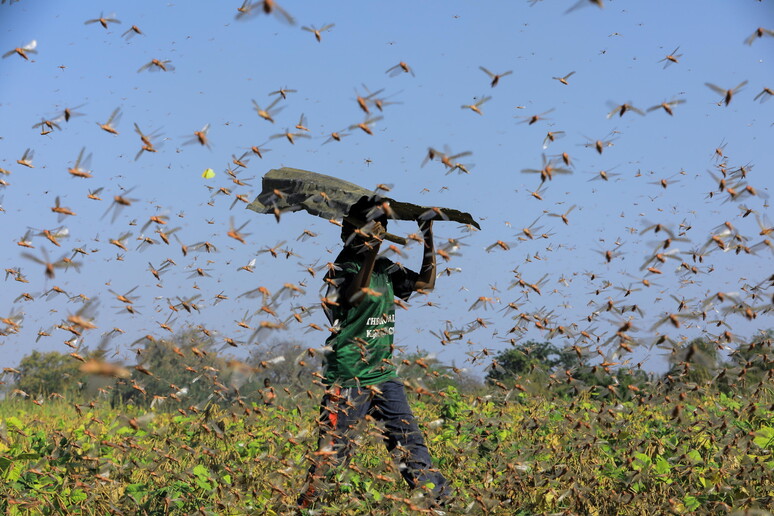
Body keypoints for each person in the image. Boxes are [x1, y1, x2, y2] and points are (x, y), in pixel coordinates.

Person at [297, 195, 450, 510]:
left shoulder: (384, 267)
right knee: (332, 455)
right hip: (348, 377)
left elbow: (425, 283)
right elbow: (354, 297)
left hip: (383, 374)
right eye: (372, 229)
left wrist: (428, 236)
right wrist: (372, 251)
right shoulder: (339, 268)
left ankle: (440, 504)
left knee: (410, 444)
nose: (376, 235)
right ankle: (307, 507)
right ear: (348, 233)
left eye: (381, 229)